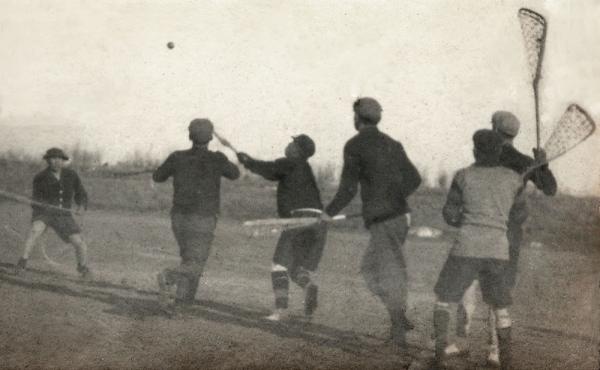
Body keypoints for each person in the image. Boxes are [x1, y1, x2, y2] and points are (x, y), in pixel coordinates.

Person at [451, 111, 557, 365]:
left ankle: (462, 341)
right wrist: (542, 164)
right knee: (498, 290)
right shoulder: (524, 161)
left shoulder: (487, 157)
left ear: (494, 130)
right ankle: (494, 350)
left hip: (481, 229)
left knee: (468, 284)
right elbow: (550, 188)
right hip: (509, 233)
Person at [321, 97, 421, 348]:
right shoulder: (393, 144)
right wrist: (391, 198)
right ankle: (400, 319)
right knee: (383, 269)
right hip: (400, 217)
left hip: (386, 220)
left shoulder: (354, 145)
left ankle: (399, 327)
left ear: (357, 118)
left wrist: (328, 213)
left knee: (377, 271)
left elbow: (347, 189)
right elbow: (414, 179)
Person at [432, 129, 527, 370]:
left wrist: (467, 218)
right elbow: (520, 215)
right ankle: (507, 363)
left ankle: (439, 359)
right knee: (500, 307)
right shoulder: (514, 179)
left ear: (475, 150)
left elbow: (450, 214)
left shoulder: (463, 176)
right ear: (500, 151)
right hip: (497, 250)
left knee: (444, 299)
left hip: (466, 247)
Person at [153, 118, 240, 313]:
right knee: (195, 262)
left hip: (179, 218)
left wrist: (166, 168)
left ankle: (182, 304)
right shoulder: (217, 159)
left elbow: (157, 177)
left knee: (189, 259)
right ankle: (169, 276)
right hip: (203, 218)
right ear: (210, 138)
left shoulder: (176, 156)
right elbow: (235, 174)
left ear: (190, 135)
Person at [237, 134, 326, 321]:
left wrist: (248, 161)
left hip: (299, 220)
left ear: (298, 150)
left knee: (278, 265)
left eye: (292, 143)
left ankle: (280, 311)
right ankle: (308, 285)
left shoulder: (291, 162)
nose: (288, 145)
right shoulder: (305, 168)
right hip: (318, 223)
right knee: (295, 267)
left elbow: (269, 170)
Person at [14, 148, 92, 279]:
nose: (55, 162)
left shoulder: (71, 175)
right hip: (45, 213)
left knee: (79, 242)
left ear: (63, 161)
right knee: (35, 230)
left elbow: (81, 194)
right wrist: (42, 204)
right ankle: (22, 263)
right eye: (52, 159)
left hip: (63, 216)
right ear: (47, 161)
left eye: (58, 159)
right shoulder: (40, 177)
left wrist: (81, 206)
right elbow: (35, 201)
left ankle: (82, 268)